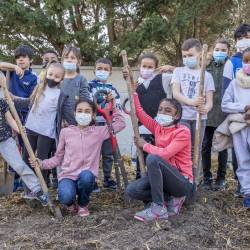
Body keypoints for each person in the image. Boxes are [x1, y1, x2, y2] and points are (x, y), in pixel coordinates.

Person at [30, 95, 126, 217]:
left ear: (93, 115)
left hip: (87, 175)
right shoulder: (66, 132)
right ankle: (71, 204)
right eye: (80, 111)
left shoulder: (99, 132)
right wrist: (42, 163)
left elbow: (121, 124)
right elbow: (58, 157)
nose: (83, 114)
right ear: (75, 113)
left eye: (87, 111)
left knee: (86, 177)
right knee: (65, 197)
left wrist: (114, 106)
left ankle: (82, 204)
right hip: (68, 176)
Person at [125, 91, 195, 223]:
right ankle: (169, 200)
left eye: (167, 111)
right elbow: (140, 113)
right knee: (132, 190)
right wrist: (134, 92)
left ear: (177, 115)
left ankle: (158, 208)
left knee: (153, 158)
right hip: (164, 181)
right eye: (160, 110)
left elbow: (165, 153)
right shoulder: (157, 127)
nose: (162, 113)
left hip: (181, 182)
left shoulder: (182, 131)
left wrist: (145, 145)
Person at [13, 63, 65, 188]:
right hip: (31, 128)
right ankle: (28, 186)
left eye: (56, 76)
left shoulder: (60, 94)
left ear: (62, 79)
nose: (52, 78)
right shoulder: (40, 88)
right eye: (50, 74)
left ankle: (42, 185)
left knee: (41, 160)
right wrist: (13, 98)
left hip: (46, 132)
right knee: (26, 157)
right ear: (46, 73)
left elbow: (62, 113)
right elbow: (28, 103)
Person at [123, 53, 173, 179]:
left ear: (156, 67)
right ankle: (141, 181)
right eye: (144, 66)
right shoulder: (136, 83)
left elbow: (181, 75)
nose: (146, 69)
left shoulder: (164, 78)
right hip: (141, 128)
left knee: (156, 157)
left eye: (150, 67)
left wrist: (172, 68)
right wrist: (128, 80)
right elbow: (131, 101)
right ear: (139, 66)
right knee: (142, 157)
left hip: (159, 128)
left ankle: (157, 181)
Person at [0, 72, 48, 205]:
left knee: (19, 165)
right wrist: (14, 66)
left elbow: (9, 119)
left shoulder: (2, 102)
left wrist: (19, 129)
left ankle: (37, 190)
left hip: (4, 139)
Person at [172, 38, 215, 183]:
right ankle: (181, 178)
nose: (187, 59)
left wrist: (205, 108)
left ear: (200, 55)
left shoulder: (207, 75)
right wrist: (191, 102)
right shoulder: (178, 71)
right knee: (183, 149)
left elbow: (209, 102)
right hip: (182, 117)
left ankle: (193, 180)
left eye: (190, 55)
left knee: (195, 149)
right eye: (184, 56)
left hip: (199, 119)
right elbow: (176, 93)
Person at [0, 44, 37, 191]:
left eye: (24, 57)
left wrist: (13, 98)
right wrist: (12, 66)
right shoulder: (10, 71)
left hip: (23, 115)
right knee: (11, 148)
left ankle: (26, 181)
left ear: (31, 60)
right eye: (18, 58)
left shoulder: (33, 78)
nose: (20, 60)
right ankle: (15, 179)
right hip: (6, 115)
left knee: (25, 146)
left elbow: (31, 100)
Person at [222, 23, 250, 196]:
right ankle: (246, 191)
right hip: (239, 124)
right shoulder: (232, 66)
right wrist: (244, 108)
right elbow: (226, 100)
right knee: (241, 158)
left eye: (246, 37)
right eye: (240, 38)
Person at [88, 58, 121, 191]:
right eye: (100, 69)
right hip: (94, 126)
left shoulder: (112, 89)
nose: (102, 71)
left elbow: (117, 106)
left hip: (108, 127)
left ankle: (107, 178)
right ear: (94, 70)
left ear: (110, 72)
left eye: (106, 69)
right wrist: (101, 100)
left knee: (108, 154)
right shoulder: (89, 86)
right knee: (93, 154)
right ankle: (92, 180)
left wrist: (112, 101)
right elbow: (89, 102)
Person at [202, 38, 230, 190]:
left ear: (228, 52)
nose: (220, 52)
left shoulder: (230, 66)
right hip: (208, 112)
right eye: (217, 49)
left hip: (224, 114)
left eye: (223, 50)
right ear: (213, 51)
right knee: (205, 145)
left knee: (222, 147)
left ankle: (221, 178)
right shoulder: (206, 66)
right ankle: (206, 177)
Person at [57, 46, 90, 137]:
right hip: (60, 124)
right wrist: (61, 119)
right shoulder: (58, 79)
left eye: (72, 58)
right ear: (62, 61)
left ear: (78, 62)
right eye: (66, 58)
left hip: (78, 124)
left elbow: (85, 101)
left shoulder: (81, 79)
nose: (69, 60)